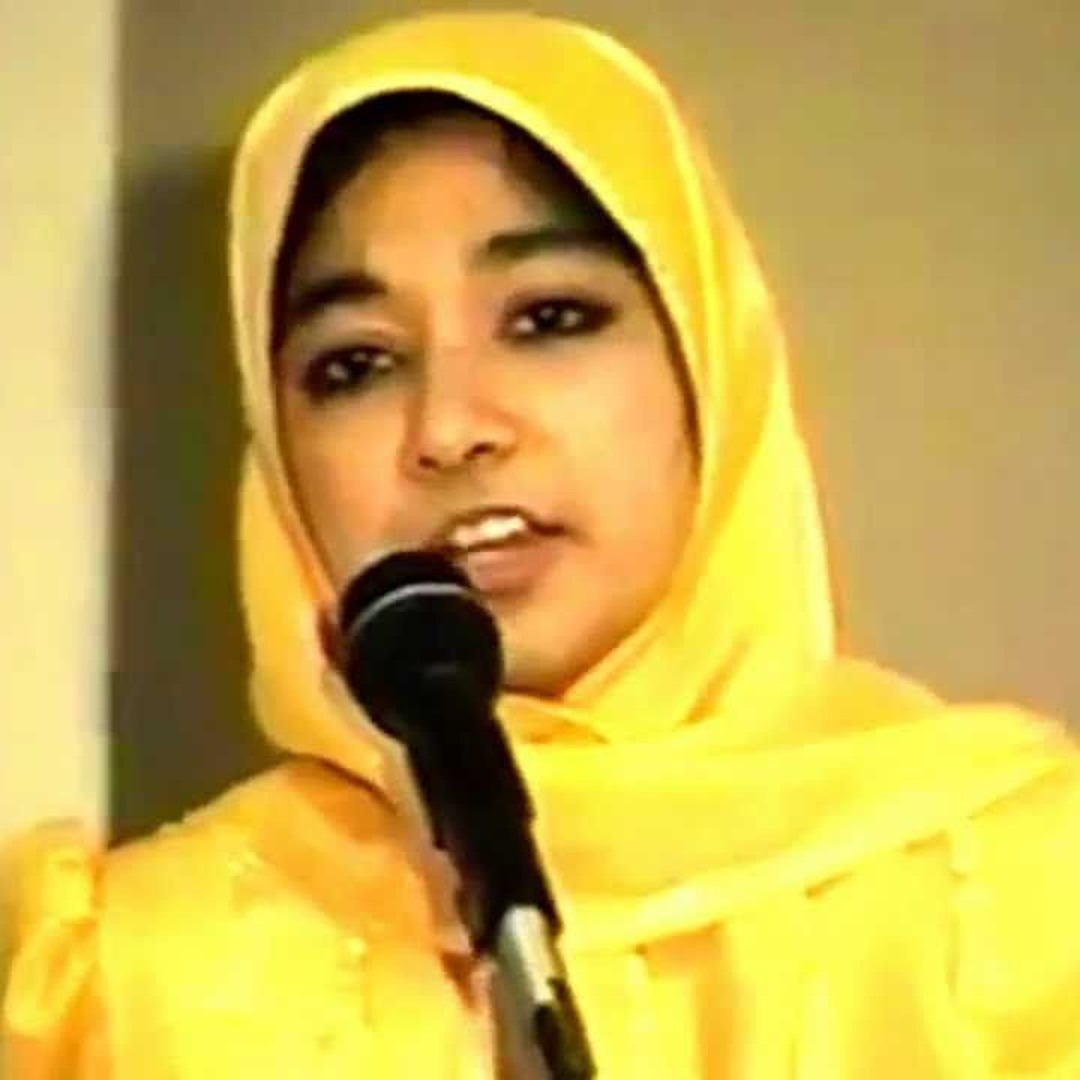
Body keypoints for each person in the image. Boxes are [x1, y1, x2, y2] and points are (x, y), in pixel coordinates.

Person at [4, 10, 1080, 1078]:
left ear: (710, 367)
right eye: (356, 364)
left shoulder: (1020, 898)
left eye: (548, 319)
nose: (450, 427)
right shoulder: (121, 990)